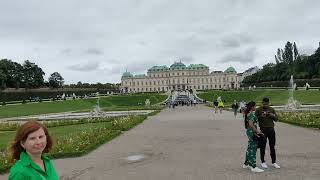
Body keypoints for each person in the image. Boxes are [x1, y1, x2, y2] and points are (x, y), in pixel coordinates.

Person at [255, 97, 281, 169]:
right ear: (262, 102)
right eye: (264, 104)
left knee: (272, 146)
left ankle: (274, 162)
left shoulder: (271, 109)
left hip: (271, 129)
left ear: (268, 103)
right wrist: (261, 116)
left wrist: (272, 115)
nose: (265, 105)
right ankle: (263, 162)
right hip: (263, 130)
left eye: (266, 104)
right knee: (262, 146)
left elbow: (276, 119)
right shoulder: (258, 110)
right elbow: (254, 119)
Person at [243, 101, 264, 173]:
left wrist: (257, 130)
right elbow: (251, 124)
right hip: (252, 132)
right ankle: (253, 166)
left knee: (249, 148)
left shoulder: (248, 113)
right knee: (253, 149)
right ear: (252, 107)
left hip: (250, 132)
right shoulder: (251, 114)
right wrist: (257, 131)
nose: (256, 107)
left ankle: (246, 163)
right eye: (255, 106)